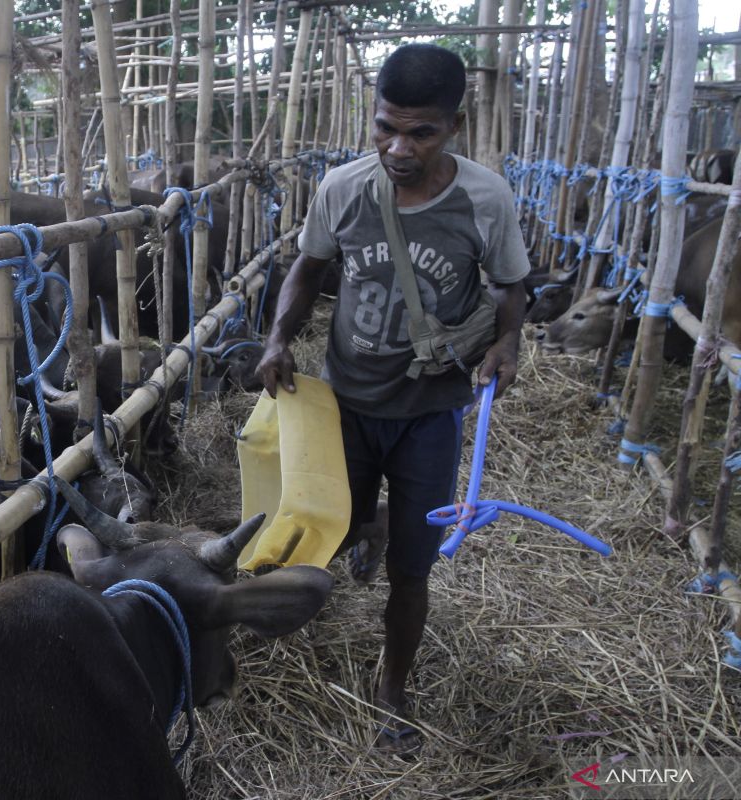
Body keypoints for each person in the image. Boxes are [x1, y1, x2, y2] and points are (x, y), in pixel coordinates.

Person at [256, 43, 528, 752]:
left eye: (420, 133)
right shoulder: (343, 189)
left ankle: (393, 691)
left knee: (414, 567)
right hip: (344, 406)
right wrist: (279, 339)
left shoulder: (485, 199)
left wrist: (508, 345)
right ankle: (366, 527)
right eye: (385, 127)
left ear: (455, 127)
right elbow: (308, 269)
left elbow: (509, 286)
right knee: (320, 532)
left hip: (430, 411)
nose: (398, 148)